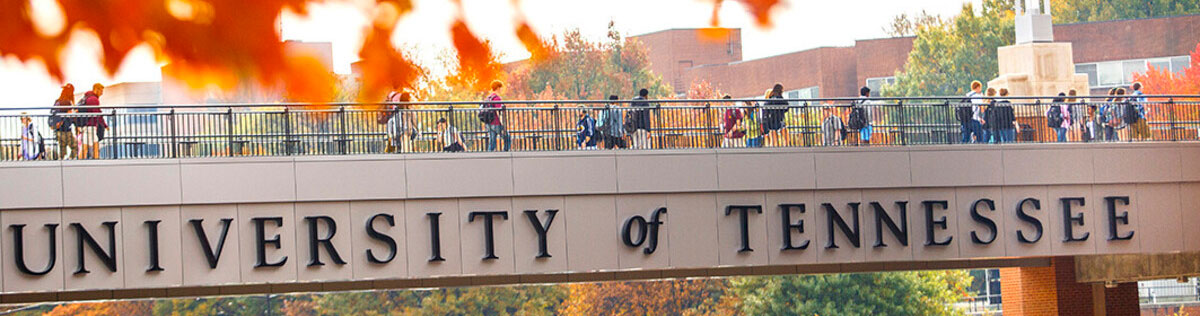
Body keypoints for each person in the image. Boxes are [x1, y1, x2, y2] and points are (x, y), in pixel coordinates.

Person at [78, 83, 108, 159]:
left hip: (88, 126)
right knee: (86, 146)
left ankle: (96, 159)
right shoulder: (93, 99)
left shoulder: (87, 97)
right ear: (96, 89)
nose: (102, 93)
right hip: (90, 126)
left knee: (95, 144)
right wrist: (104, 125)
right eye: (101, 91)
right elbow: (97, 113)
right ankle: (81, 161)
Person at [481, 80, 511, 151]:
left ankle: (489, 156)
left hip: (489, 123)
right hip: (496, 122)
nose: (501, 90)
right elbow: (498, 112)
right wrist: (503, 124)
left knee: (492, 142)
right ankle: (505, 153)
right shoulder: (497, 98)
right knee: (507, 137)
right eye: (500, 88)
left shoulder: (488, 98)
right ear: (498, 88)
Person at [50, 84, 76, 160]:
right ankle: (69, 160)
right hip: (66, 130)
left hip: (58, 130)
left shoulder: (57, 101)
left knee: (62, 150)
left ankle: (60, 163)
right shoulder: (67, 102)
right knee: (75, 147)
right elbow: (70, 116)